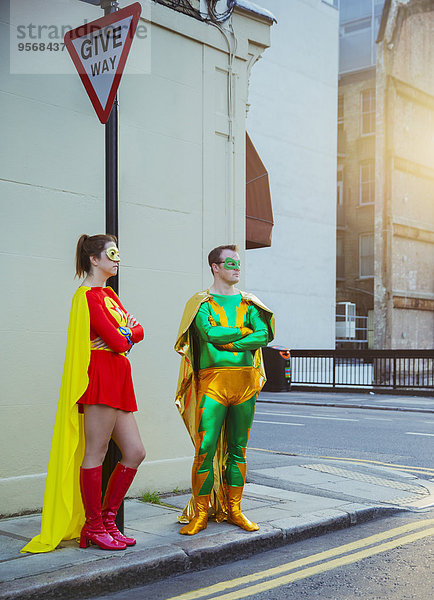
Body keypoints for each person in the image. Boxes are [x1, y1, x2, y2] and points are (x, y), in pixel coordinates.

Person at [22, 234, 146, 553]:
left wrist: (125, 334)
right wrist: (125, 334)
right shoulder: (88, 297)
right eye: (112, 254)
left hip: (119, 378)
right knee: (97, 451)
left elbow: (137, 332)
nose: (117, 260)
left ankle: (106, 521)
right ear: (94, 259)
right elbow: (122, 341)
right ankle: (93, 526)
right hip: (101, 377)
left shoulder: (109, 297)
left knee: (135, 452)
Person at [174, 244, 274, 535]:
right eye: (230, 263)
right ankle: (201, 513)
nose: (236, 268)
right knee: (204, 450)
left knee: (238, 450)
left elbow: (264, 334)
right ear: (215, 267)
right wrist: (244, 333)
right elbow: (208, 333)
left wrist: (231, 343)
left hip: (244, 383)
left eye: (238, 263)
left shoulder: (250, 303)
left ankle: (234, 510)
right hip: (212, 383)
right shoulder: (201, 303)